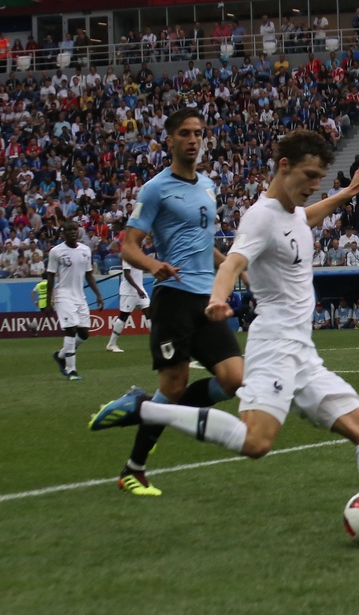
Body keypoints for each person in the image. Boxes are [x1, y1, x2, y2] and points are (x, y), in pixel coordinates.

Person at [90, 130, 359, 540]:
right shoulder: (261, 216)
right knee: (256, 442)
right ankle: (143, 407)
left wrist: (351, 191)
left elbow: (308, 217)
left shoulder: (292, 213)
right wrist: (218, 298)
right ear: (284, 167)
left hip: (302, 352)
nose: (314, 183)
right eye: (309, 175)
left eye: (320, 176)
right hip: (273, 347)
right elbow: (232, 263)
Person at [100, 108, 245, 497]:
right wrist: (153, 265)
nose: (193, 139)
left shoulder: (209, 186)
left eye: (198, 132)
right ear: (169, 140)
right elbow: (128, 245)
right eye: (185, 133)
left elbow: (204, 242)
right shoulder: (155, 189)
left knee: (234, 379)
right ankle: (134, 468)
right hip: (174, 298)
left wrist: (236, 267)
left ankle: (143, 406)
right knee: (175, 385)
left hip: (207, 297)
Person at [47, 220, 104, 381]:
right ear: (63, 233)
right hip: (63, 295)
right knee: (70, 330)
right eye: (69, 230)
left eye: (75, 229)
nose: (73, 232)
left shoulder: (85, 250)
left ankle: (61, 355)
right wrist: (47, 299)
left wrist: (98, 295)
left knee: (84, 334)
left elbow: (89, 274)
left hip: (80, 296)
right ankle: (71, 370)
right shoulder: (56, 251)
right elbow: (50, 276)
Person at [106, 257, 151, 353]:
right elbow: (127, 274)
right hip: (129, 292)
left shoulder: (138, 254)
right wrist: (137, 288)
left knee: (150, 314)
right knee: (123, 316)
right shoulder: (128, 256)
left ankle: (158, 342)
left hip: (140, 290)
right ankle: (111, 344)